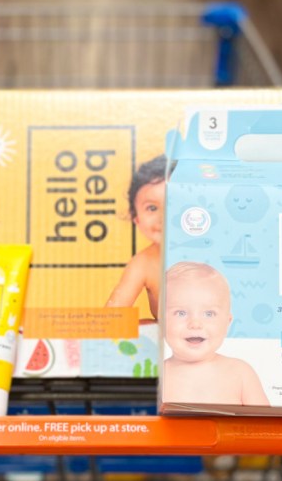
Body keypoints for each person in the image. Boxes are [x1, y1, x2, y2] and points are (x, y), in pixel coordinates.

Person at [161, 262, 269, 406]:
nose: (195, 323)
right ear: (160, 321)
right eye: (181, 313)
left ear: (227, 322)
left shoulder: (240, 373)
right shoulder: (156, 377)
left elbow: (267, 424)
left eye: (209, 313)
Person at [105, 156, 166, 317]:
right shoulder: (144, 263)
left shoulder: (213, 251)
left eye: (173, 203)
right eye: (152, 208)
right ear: (137, 219)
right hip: (168, 340)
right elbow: (112, 316)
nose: (163, 216)